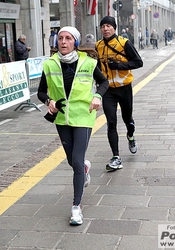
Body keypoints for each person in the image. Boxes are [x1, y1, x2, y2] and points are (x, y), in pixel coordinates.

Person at [37, 26, 109, 225]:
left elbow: (104, 83)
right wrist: (48, 102)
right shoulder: (50, 64)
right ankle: (85, 168)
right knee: (72, 161)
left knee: (76, 162)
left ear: (75, 43)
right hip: (62, 119)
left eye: (68, 38)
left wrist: (97, 96)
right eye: (60, 38)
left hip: (83, 117)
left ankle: (76, 207)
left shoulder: (89, 62)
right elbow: (41, 92)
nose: (63, 42)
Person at [95, 16, 143, 171]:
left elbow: (138, 62)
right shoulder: (98, 46)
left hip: (124, 88)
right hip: (107, 90)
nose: (106, 29)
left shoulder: (124, 43)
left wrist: (118, 65)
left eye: (109, 26)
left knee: (127, 119)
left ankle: (131, 136)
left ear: (114, 28)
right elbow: (95, 67)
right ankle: (116, 157)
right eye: (103, 26)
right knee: (111, 122)